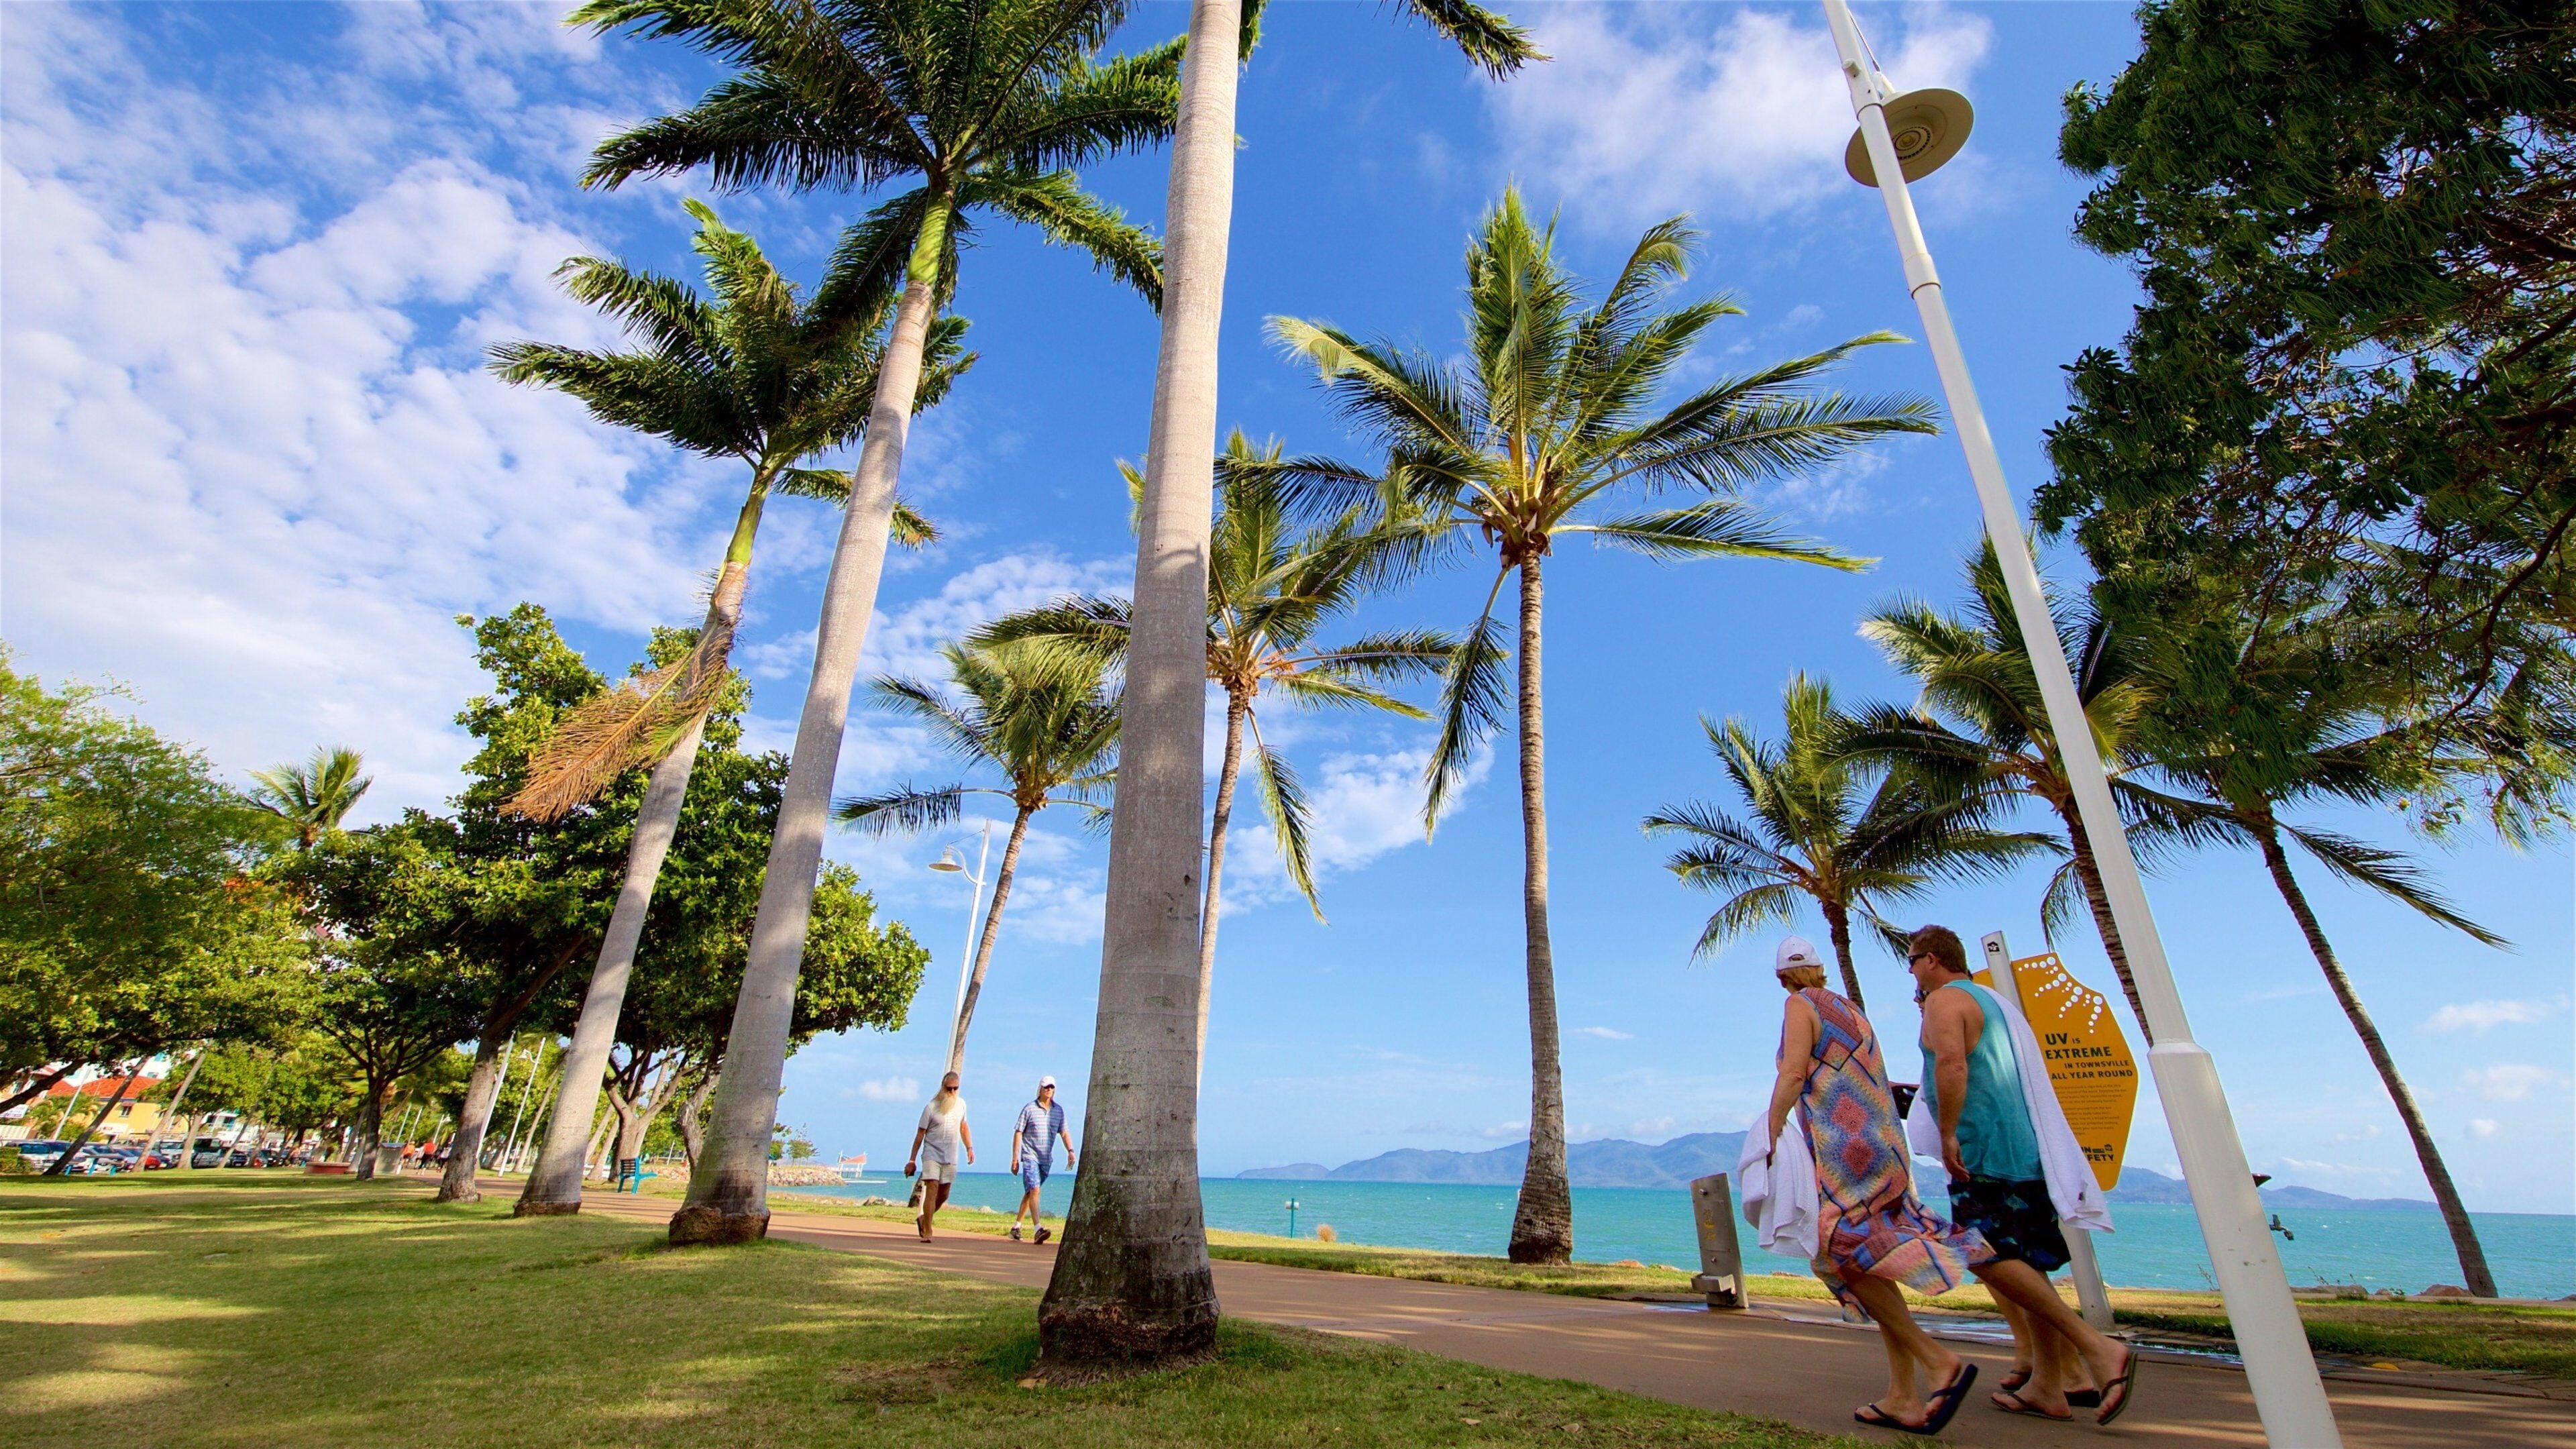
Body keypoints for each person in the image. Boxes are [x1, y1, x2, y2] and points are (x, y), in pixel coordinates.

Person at [1910, 925, 2139, 1426]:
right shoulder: (1991, 1001)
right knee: (2027, 1267)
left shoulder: (1945, 1000)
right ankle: (2049, 1387)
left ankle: (2096, 1348)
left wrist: (1948, 1133)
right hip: (2025, 1151)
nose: (1911, 972)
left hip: (1986, 1150)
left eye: (1912, 961)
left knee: (1980, 1252)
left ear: (1931, 960)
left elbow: (1952, 1064)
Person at [1763, 934, 1989, 1434]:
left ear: (1782, 978)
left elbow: (1796, 1071)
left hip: (1847, 1150)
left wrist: (1771, 1133)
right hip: (1885, 1143)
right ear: (1821, 969)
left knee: (1837, 1247)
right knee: (1876, 1255)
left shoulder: (1799, 1005)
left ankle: (1937, 1362)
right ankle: (1902, 1396)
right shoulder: (1850, 1009)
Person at [904, 1071, 973, 1240]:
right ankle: (928, 1231)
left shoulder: (962, 1105)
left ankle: (924, 1219)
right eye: (949, 1088)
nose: (952, 1092)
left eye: (955, 1089)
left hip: (950, 1155)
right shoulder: (931, 1107)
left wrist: (969, 1148)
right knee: (932, 1187)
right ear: (943, 1087)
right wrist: (912, 1160)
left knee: (944, 1194)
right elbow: (920, 1134)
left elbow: (963, 1127)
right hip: (931, 1154)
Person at [1008, 1075, 1075, 1244]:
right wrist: (1015, 1158)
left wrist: (1071, 1151)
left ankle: (1016, 1227)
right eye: (1046, 1087)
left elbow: (1064, 1132)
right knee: (1035, 1190)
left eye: (1052, 1088)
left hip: (1046, 1159)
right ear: (1040, 1089)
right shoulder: (1030, 1109)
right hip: (1030, 1156)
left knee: (1031, 1191)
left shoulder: (1058, 1111)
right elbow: (1018, 1132)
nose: (1049, 1090)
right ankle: (1038, 1229)